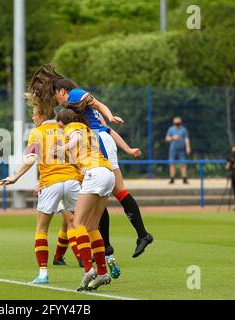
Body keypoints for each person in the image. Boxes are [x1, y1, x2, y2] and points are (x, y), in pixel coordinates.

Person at [28, 64, 153, 272]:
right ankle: (109, 249)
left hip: (97, 149)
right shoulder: (76, 112)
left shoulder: (76, 95)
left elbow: (99, 108)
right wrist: (128, 149)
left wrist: (110, 115)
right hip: (97, 146)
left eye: (56, 96)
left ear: (62, 91)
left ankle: (127, 241)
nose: (58, 102)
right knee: (100, 201)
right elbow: (106, 128)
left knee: (107, 199)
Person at [1, 99, 82, 285]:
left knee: (42, 228)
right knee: (81, 225)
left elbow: (30, 159)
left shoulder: (36, 133)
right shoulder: (67, 128)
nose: (32, 117)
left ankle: (43, 274)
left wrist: (15, 176)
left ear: (43, 116)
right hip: (72, 181)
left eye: (34, 114)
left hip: (51, 183)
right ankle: (91, 268)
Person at [55, 108, 115, 291]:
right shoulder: (86, 128)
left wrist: (63, 148)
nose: (59, 130)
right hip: (107, 173)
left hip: (95, 173)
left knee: (78, 222)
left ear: (62, 122)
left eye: (59, 126)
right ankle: (103, 272)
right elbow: (79, 155)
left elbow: (76, 139)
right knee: (91, 227)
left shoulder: (71, 128)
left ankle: (89, 270)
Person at [165, 116, 191, 184]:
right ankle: (172, 179)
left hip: (181, 149)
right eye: (176, 122)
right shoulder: (171, 129)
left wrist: (188, 147)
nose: (177, 123)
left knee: (183, 164)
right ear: (173, 122)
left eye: (178, 122)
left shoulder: (184, 129)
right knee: (171, 164)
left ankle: (184, 179)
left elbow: (186, 139)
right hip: (173, 149)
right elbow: (167, 138)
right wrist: (173, 138)